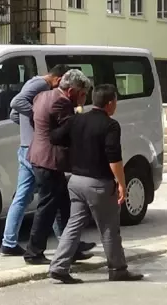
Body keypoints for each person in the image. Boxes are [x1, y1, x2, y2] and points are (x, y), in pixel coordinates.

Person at [47, 84, 144, 284]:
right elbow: (114, 158)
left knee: (73, 225)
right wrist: (121, 183)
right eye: (115, 101)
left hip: (75, 181)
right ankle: (117, 269)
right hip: (99, 184)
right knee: (109, 228)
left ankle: (58, 266)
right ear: (109, 104)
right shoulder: (110, 125)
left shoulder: (76, 119)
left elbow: (55, 137)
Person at [1, 64, 94, 256]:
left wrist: (36, 124)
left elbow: (14, 114)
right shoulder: (46, 92)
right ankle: (36, 250)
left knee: (53, 202)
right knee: (47, 204)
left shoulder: (41, 96)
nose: (83, 98)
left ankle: (67, 245)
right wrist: (41, 123)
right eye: (82, 93)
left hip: (35, 151)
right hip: (44, 156)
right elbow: (16, 105)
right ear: (62, 82)